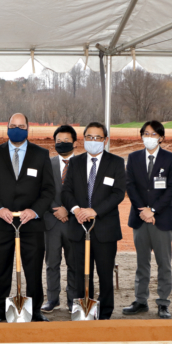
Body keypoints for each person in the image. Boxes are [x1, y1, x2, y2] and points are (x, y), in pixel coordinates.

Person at [0, 113, 55, 323]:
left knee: (33, 269)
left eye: (21, 126)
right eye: (13, 125)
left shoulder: (40, 154)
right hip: (1, 222)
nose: (17, 129)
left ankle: (35, 309)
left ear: (28, 128)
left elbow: (48, 190)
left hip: (31, 224)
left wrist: (35, 210)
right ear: (7, 127)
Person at [62, 122, 126, 320]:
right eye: (89, 137)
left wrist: (94, 211)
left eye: (98, 137)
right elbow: (66, 191)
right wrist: (76, 210)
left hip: (105, 229)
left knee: (105, 275)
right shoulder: (75, 163)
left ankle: (105, 313)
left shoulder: (115, 162)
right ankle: (81, 311)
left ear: (105, 140)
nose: (93, 141)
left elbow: (118, 193)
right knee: (79, 273)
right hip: (78, 227)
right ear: (83, 139)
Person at [123, 120, 172, 319]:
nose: (149, 137)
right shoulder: (133, 158)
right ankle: (140, 301)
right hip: (140, 219)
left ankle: (163, 303)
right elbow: (130, 186)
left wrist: (153, 210)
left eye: (154, 134)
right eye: (146, 133)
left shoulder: (171, 159)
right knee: (142, 263)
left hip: (161, 220)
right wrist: (143, 211)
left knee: (164, 263)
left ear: (161, 138)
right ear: (141, 136)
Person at [41, 125, 78, 313]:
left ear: (75, 142)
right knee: (52, 263)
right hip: (52, 221)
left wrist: (69, 210)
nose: (62, 144)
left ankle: (73, 300)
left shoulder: (82, 164)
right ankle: (52, 299)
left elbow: (86, 193)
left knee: (74, 263)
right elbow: (41, 191)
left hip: (75, 222)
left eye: (66, 141)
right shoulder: (48, 163)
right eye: (58, 141)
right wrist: (55, 210)